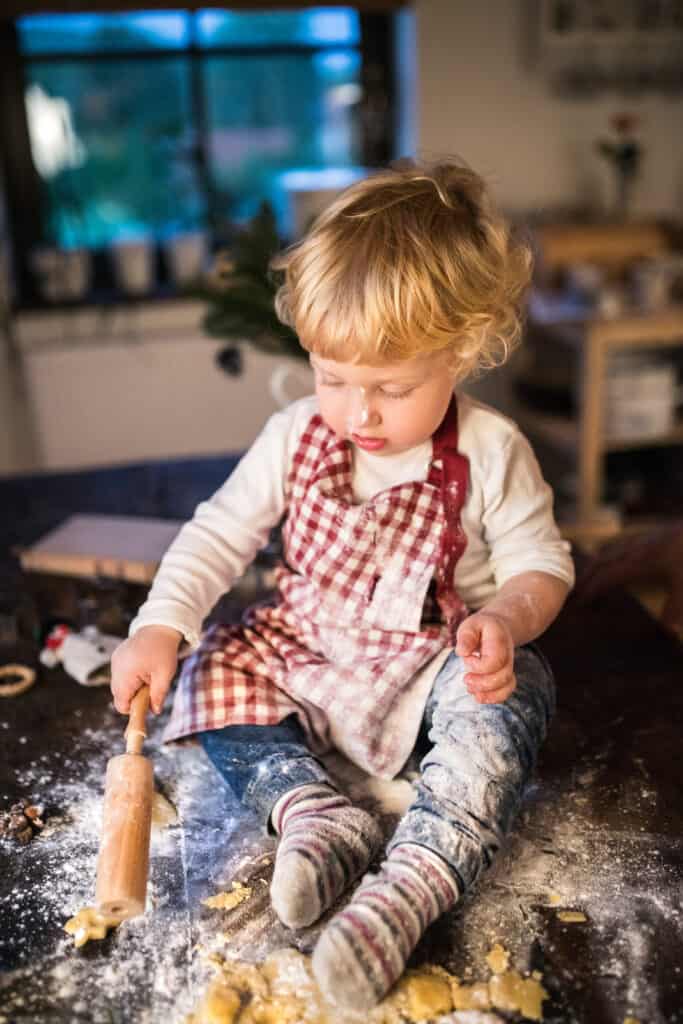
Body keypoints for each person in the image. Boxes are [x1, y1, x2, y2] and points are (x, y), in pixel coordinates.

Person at [110, 160, 574, 1011]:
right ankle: (315, 814)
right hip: (312, 651)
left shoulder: (489, 449)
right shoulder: (295, 437)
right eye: (333, 379)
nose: (358, 413)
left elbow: (541, 564)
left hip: (429, 669)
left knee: (514, 698)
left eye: (391, 388)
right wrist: (160, 625)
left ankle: (416, 878)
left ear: (462, 352)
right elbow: (218, 534)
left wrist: (507, 618)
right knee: (216, 667)